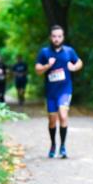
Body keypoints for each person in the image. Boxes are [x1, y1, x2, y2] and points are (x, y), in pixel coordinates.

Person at [35, 26, 83, 159]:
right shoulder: (44, 52)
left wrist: (74, 67)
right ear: (50, 37)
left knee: (63, 115)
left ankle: (62, 146)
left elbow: (79, 61)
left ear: (63, 37)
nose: (57, 39)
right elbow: (37, 69)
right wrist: (47, 66)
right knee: (52, 121)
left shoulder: (69, 51)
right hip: (51, 92)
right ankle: (53, 145)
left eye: (59, 36)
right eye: (54, 36)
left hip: (65, 90)